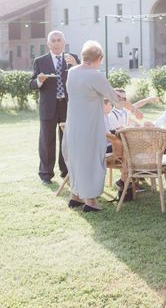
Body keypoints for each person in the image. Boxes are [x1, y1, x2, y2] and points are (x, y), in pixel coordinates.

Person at [62, 40, 132, 212]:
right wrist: (132, 106)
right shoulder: (96, 75)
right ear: (99, 58)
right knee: (91, 161)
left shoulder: (72, 72)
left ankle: (75, 196)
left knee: (77, 160)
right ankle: (90, 201)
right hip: (89, 125)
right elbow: (114, 97)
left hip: (73, 123)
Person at [29, 30, 80, 185]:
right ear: (48, 44)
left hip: (68, 105)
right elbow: (31, 84)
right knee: (46, 140)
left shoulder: (73, 59)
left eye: (59, 40)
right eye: (53, 40)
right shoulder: (40, 61)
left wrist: (76, 66)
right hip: (48, 106)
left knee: (67, 140)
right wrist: (39, 81)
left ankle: (66, 171)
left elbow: (82, 80)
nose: (56, 43)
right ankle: (46, 174)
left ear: (64, 43)